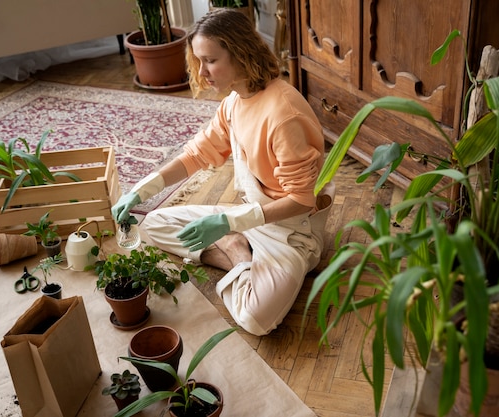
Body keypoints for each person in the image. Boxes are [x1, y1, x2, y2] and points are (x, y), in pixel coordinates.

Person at [111, 8, 334, 336]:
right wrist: (140, 191)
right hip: (249, 219)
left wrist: (228, 225)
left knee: (256, 320)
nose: (202, 72)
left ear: (242, 54)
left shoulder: (282, 115)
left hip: (290, 231)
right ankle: (237, 248)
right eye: (199, 60)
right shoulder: (233, 102)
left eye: (210, 60)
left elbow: (301, 200)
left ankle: (235, 251)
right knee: (152, 225)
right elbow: (195, 156)